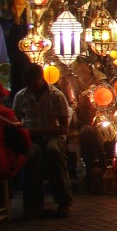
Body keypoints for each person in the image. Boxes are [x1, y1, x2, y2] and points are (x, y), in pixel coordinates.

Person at [12, 63, 74, 218]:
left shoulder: (56, 96)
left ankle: (63, 201)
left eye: (33, 82)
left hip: (52, 137)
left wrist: (38, 130)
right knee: (32, 154)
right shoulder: (21, 96)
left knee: (53, 152)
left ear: (41, 79)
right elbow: (16, 121)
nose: (30, 86)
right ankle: (33, 203)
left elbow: (64, 129)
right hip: (30, 138)